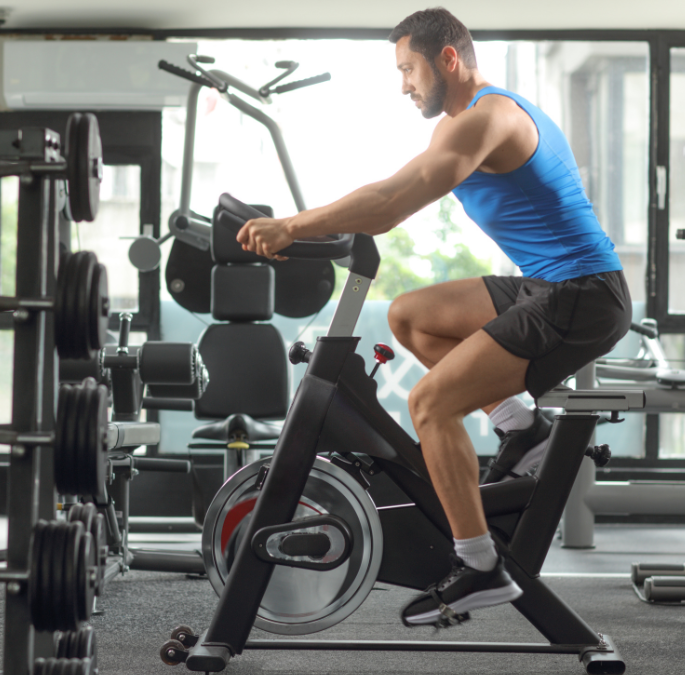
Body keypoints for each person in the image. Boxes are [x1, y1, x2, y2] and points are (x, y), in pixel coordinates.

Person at [235, 7, 632, 628]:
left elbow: (390, 203)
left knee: (431, 405)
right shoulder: (469, 121)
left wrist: (292, 225)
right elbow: (394, 190)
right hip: (547, 285)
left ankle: (479, 566)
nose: (403, 85)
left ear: (448, 58)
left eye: (408, 68)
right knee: (412, 316)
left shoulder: (489, 119)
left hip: (582, 294)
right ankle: (524, 432)